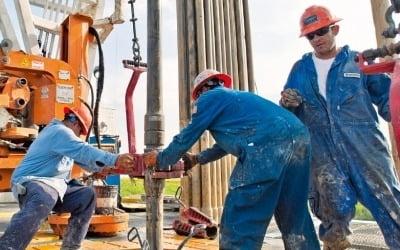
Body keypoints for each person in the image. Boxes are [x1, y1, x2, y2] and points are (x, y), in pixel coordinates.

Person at [143, 69, 320, 250]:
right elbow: (225, 145)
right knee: (294, 213)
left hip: (266, 145)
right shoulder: (240, 100)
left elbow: (188, 135)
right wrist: (197, 159)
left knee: (241, 216)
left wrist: (161, 159)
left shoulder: (208, 98)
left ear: (202, 89)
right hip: (299, 138)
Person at [280, 5, 400, 250]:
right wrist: (287, 104)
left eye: (321, 31)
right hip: (323, 153)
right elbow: (287, 116)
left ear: (335, 29)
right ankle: (335, 245)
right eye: (310, 35)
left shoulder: (359, 62)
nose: (316, 39)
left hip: (366, 147)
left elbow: (390, 101)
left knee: (389, 203)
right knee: (331, 207)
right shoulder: (300, 70)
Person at [0, 106, 135, 250]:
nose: (79, 136)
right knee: (45, 195)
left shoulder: (63, 139)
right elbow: (82, 149)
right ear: (76, 123)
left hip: (53, 186)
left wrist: (103, 169)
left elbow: (82, 158)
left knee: (86, 196)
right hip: (31, 182)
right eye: (80, 132)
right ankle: (8, 246)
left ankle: (71, 247)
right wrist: (114, 159)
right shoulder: (59, 132)